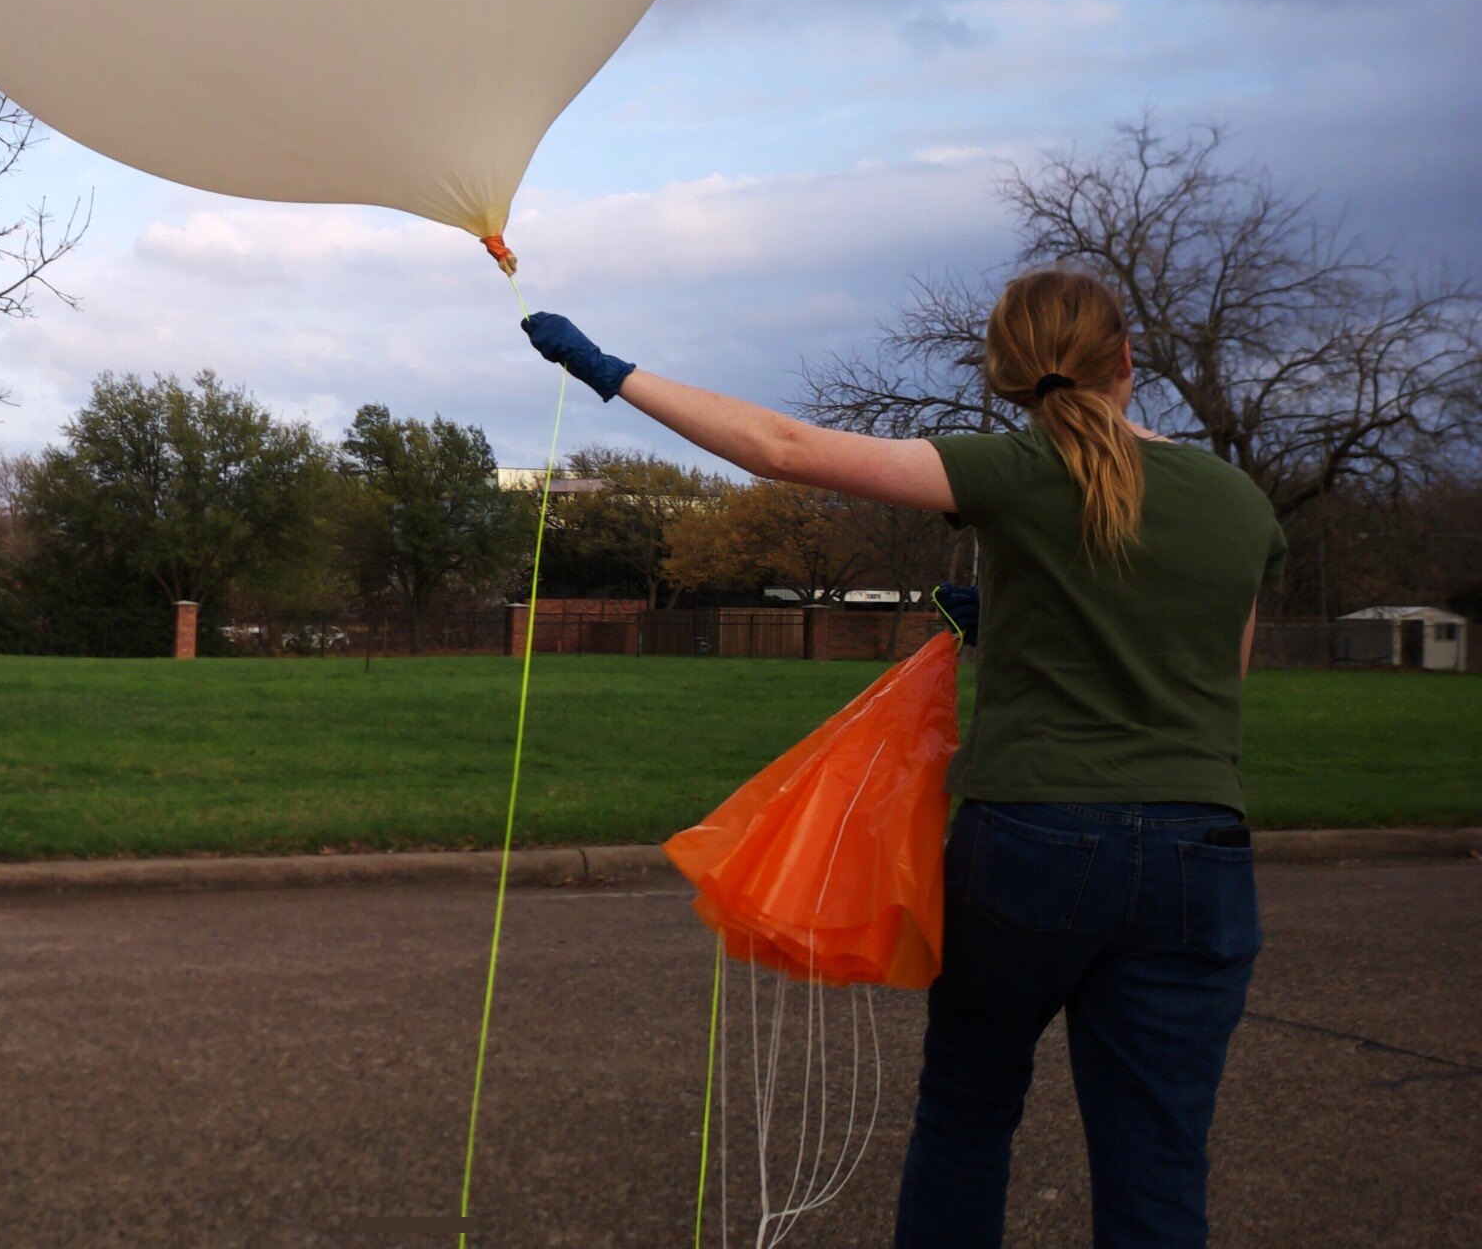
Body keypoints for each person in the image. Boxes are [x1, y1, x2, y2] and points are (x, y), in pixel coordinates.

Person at [523, 267, 1286, 1249]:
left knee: (969, 1114)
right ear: (1126, 359)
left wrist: (610, 371)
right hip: (1200, 857)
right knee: (1160, 1162)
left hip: (1033, 846)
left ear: (1004, 372)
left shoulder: (1015, 466)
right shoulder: (1238, 501)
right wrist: (1019, 621)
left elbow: (784, 448)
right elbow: (1216, 677)